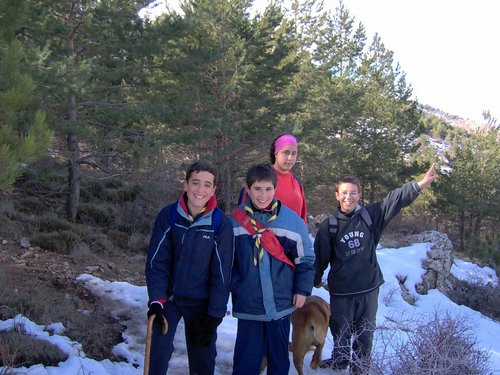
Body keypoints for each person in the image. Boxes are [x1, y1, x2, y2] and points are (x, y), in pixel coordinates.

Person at [313, 163, 438, 374]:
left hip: (368, 288)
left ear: (359, 195)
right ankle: (339, 363)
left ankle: (360, 369)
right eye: (344, 193)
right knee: (340, 333)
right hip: (342, 291)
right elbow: (320, 258)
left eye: (353, 193)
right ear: (337, 195)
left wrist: (419, 185)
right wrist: (313, 280)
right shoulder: (330, 225)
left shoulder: (370, 216)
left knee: (365, 335)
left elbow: (395, 200)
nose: (348, 197)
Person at [145, 161, 234, 375]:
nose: (200, 190)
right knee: (158, 353)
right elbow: (157, 261)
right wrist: (157, 299)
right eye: (195, 183)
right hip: (170, 299)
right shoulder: (170, 215)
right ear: (185, 185)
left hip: (202, 305)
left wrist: (214, 316)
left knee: (203, 360)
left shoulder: (220, 224)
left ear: (213, 190)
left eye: (206, 185)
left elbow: (221, 274)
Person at [230, 163, 315, 375]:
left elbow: (305, 258)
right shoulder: (233, 222)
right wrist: (238, 286)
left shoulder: (291, 221)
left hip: (281, 304)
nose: (263, 195)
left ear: (275, 189)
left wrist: (302, 289)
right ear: (247, 189)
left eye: (268, 189)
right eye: (257, 189)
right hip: (249, 305)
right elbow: (225, 263)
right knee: (245, 363)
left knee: (278, 361)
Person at [238, 133, 308, 223]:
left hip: (293, 236)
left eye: (294, 154)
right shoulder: (261, 176)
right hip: (263, 235)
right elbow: (244, 215)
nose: (290, 158)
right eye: (286, 153)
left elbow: (302, 219)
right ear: (276, 153)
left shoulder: (297, 182)